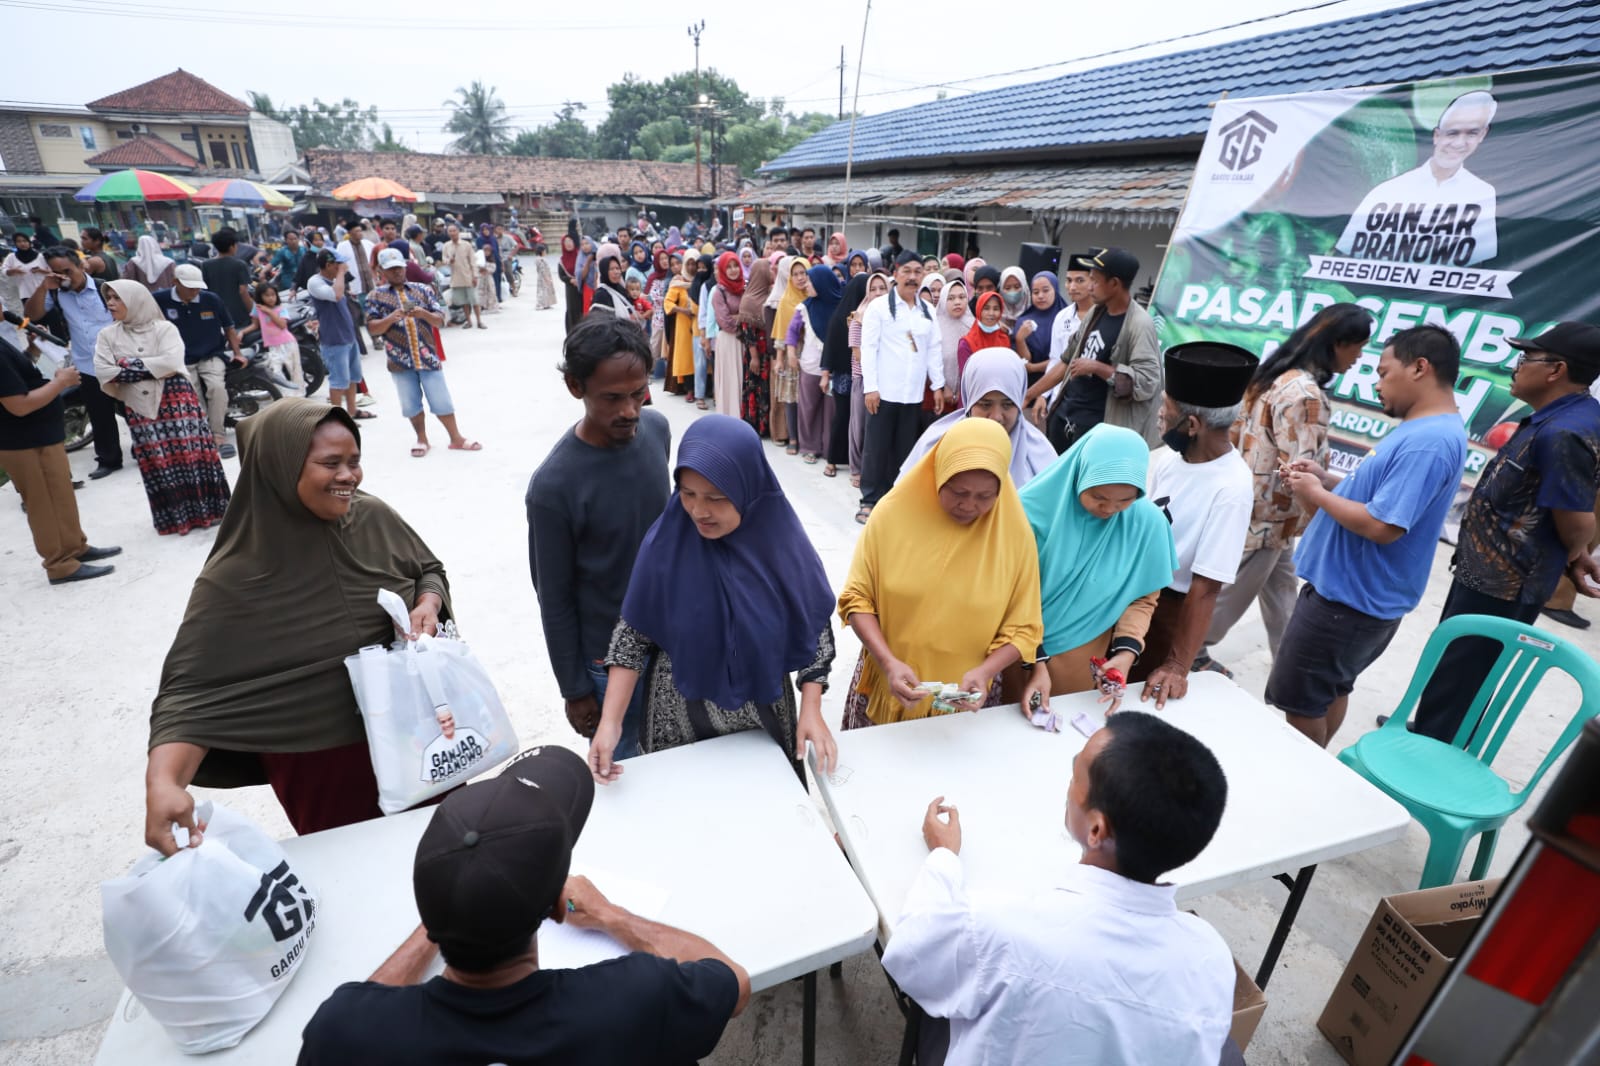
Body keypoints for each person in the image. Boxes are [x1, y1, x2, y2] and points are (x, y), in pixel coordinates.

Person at [295, 746, 748, 1066]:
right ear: (555, 907)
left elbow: (366, 1004)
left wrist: (451, 904)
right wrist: (612, 915)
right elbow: (733, 980)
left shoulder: (345, 1033)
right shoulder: (635, 996)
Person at [143, 400, 453, 847]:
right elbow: (187, 697)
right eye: (331, 463)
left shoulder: (372, 517)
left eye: (354, 461)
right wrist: (164, 784)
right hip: (323, 767)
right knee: (363, 874)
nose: (349, 476)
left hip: (419, 740)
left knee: (451, 849)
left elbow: (428, 568)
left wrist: (429, 601)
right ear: (279, 467)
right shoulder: (233, 577)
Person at [883, 712, 1234, 1066]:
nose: (1069, 783)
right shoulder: (1210, 958)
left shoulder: (1000, 929)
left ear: (1097, 830)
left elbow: (911, 950)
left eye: (1075, 773)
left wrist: (944, 856)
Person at [587, 415, 839, 781]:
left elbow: (815, 629)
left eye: (717, 498)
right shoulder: (666, 545)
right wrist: (610, 724)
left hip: (762, 719)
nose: (698, 511)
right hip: (677, 721)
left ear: (748, 490)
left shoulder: (782, 547)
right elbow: (631, 639)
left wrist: (811, 708)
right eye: (687, 494)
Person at [1267, 325, 1468, 746]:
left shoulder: (1427, 441)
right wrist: (1328, 480)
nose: (1376, 384)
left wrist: (1317, 495)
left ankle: (1301, 776)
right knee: (1331, 689)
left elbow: (1383, 525)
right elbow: (1383, 500)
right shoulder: (1427, 430)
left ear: (1419, 368)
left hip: (1347, 605)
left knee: (1301, 702)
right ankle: (1314, 765)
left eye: (1382, 372)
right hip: (1354, 600)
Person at [1410, 323, 1600, 741]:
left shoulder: (1564, 432)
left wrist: (1575, 550)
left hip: (1505, 584)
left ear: (1556, 370)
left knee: (1465, 675)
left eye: (1526, 358)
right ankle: (1430, 729)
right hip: (1490, 571)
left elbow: (1578, 518)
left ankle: (1431, 754)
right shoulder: (1560, 417)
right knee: (1453, 667)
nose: (1516, 367)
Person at [1197, 303, 1373, 677]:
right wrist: (1322, 519)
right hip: (1268, 513)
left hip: (1259, 505)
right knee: (1232, 594)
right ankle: (1190, 649)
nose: (1359, 358)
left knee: (1281, 591)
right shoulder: (1305, 394)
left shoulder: (1275, 376)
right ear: (1337, 343)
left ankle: (1291, 664)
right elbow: (1302, 470)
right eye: (1357, 347)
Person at [838, 417, 1043, 727]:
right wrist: (888, 662)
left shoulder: (1014, 537)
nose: (969, 505)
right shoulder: (892, 516)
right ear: (938, 472)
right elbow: (857, 599)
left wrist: (986, 671)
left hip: (965, 699)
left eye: (985, 496)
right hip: (889, 684)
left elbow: (1024, 626)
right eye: (957, 491)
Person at [529, 315, 667, 761]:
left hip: (672, 644)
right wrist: (575, 688)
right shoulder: (553, 487)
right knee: (620, 771)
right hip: (605, 663)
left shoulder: (658, 431)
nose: (629, 411)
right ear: (575, 386)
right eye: (611, 398)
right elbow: (554, 597)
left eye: (637, 394)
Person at [1014, 424, 1177, 713]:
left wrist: (1126, 652)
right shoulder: (1028, 514)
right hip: (1012, 653)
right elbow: (1007, 596)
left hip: (1081, 661)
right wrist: (1034, 661)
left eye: (1125, 500)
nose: (1109, 510)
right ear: (1079, 476)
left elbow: (1142, 598)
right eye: (1099, 497)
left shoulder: (1145, 525)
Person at [1133, 343, 1257, 710]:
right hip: (1137, 600)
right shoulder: (1173, 459)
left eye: (1165, 410)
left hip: (1172, 613)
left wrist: (1176, 664)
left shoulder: (1231, 486)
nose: (1158, 415)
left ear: (1192, 424)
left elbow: (1205, 587)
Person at [94, 281, 231, 535]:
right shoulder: (107, 335)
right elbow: (103, 370)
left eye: (117, 298)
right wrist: (149, 368)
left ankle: (209, 512)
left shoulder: (164, 328)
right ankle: (175, 519)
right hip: (140, 407)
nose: (110, 303)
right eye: (109, 298)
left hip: (177, 403)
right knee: (158, 461)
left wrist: (125, 364)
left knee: (191, 455)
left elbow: (171, 361)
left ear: (136, 300)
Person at [0, 331, 120, 584]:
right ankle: (59, 564)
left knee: (60, 494)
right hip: (23, 441)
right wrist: (61, 383)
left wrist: (32, 350)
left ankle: (75, 547)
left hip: (41, 435)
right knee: (43, 503)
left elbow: (16, 379)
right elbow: (18, 405)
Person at [1336, 91, 1498, 267]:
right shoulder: (1386, 190)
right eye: (1452, 133)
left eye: (1472, 133)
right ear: (1437, 136)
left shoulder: (1482, 193)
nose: (1459, 143)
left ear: (1483, 135)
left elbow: (1479, 264)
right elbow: (1346, 259)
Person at [1029, 248, 1163, 451]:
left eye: (1095, 281)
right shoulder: (1095, 312)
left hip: (1099, 432)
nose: (1090, 287)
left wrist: (1099, 368)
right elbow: (1066, 361)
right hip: (1066, 418)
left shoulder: (1139, 324)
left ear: (1115, 284)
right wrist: (1029, 395)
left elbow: (1146, 383)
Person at [858, 252, 948, 523]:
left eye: (917, 272)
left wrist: (939, 386)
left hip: (912, 394)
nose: (912, 277)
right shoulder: (879, 308)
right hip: (883, 392)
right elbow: (868, 348)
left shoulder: (928, 312)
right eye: (906, 271)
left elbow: (934, 350)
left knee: (904, 448)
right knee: (876, 447)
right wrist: (870, 388)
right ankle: (870, 499)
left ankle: (897, 499)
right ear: (895, 274)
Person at [367, 249, 480, 458]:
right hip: (399, 360)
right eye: (391, 269)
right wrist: (390, 319)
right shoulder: (376, 296)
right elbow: (372, 328)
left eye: (399, 268)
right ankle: (422, 439)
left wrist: (423, 314)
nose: (397, 273)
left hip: (427, 355)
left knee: (441, 399)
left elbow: (440, 319)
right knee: (410, 402)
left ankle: (456, 438)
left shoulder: (423, 290)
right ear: (382, 270)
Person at [25, 247, 123, 478]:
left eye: (67, 271)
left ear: (81, 266)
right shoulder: (56, 293)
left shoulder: (104, 288)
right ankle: (109, 459)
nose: (63, 277)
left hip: (118, 361)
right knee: (100, 414)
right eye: (56, 272)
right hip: (86, 363)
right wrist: (44, 287)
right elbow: (32, 314)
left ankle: (144, 450)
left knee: (133, 407)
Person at [901, 348, 1057, 488]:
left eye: (1008, 405)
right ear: (969, 402)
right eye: (985, 405)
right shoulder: (936, 447)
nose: (996, 417)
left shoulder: (1040, 457)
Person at [153, 263, 247, 458]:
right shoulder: (159, 300)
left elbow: (229, 328)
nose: (195, 291)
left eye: (197, 287)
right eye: (190, 287)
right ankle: (203, 435)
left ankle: (218, 435)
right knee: (191, 395)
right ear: (176, 282)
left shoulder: (211, 299)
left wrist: (237, 353)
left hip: (212, 354)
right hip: (180, 359)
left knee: (217, 388)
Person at [789, 264, 844, 465]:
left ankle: (829, 448)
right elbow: (792, 332)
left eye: (810, 280)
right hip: (811, 366)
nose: (806, 284)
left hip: (834, 368)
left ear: (822, 283)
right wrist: (790, 352)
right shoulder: (805, 307)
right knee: (809, 408)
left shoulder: (841, 306)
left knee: (831, 412)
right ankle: (810, 447)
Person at [306, 250, 369, 421]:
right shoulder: (315, 282)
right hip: (334, 340)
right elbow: (336, 295)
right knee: (338, 381)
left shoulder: (334, 280)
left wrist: (340, 274)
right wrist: (341, 273)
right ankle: (338, 419)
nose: (343, 267)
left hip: (348, 336)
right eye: (338, 264)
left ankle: (352, 411)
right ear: (328, 265)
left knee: (353, 377)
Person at [845, 272, 890, 487]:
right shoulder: (858, 318)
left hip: (887, 381)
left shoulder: (893, 318)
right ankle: (856, 468)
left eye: (882, 288)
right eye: (873, 288)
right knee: (859, 426)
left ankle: (873, 470)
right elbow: (859, 354)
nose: (878, 292)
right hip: (864, 379)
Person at [770, 256, 809, 448]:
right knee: (791, 397)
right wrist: (779, 360)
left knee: (808, 398)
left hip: (811, 351)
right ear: (790, 278)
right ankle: (793, 438)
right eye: (796, 274)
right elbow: (780, 333)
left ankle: (807, 438)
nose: (800, 278)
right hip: (790, 353)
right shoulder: (786, 300)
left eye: (803, 273)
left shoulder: (814, 297)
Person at [735, 257, 774, 437]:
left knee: (764, 389)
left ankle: (764, 427)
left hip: (766, 353)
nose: (771, 273)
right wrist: (755, 357)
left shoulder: (769, 296)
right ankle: (753, 426)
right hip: (755, 355)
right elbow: (747, 332)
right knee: (754, 387)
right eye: (769, 270)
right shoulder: (749, 299)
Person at [252, 280, 304, 395]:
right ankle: (285, 396)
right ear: (260, 297)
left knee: (294, 370)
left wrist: (269, 312)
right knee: (275, 371)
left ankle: (299, 395)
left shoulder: (281, 309)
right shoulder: (257, 309)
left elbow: (282, 325)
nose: (271, 298)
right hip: (272, 346)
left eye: (273, 295)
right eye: (267, 295)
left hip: (287, 343)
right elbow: (255, 325)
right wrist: (241, 333)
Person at [710, 252, 745, 416]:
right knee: (730, 380)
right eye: (728, 267)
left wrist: (740, 318)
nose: (733, 270)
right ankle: (730, 417)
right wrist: (743, 319)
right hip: (729, 340)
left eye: (735, 265)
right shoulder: (719, 292)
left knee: (742, 379)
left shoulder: (745, 287)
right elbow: (725, 322)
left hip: (744, 340)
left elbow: (753, 313)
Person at [200, 228, 254, 328]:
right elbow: (243, 291)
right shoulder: (239, 265)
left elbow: (205, 290)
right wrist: (253, 312)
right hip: (239, 315)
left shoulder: (206, 265)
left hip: (217, 313)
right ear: (232, 246)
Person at [955, 291, 1012, 377]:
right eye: (986, 308)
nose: (991, 313)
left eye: (996, 309)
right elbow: (966, 379)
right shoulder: (966, 344)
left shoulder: (1004, 339)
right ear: (978, 310)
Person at [934, 276, 972, 388]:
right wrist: (943, 387)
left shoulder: (973, 326)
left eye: (962, 297)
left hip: (967, 391)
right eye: (950, 298)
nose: (957, 302)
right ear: (943, 300)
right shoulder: (935, 326)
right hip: (939, 392)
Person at [335, 222, 377, 314]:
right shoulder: (342, 246)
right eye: (357, 231)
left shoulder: (368, 244)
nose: (360, 233)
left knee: (376, 308)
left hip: (372, 283)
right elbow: (339, 264)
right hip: (356, 285)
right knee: (363, 310)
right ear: (350, 233)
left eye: (360, 231)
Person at [3, 233, 51, 305]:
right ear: (15, 243)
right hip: (25, 293)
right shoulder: (11, 257)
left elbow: (51, 271)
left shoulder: (40, 256)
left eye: (25, 241)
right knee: (31, 314)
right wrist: (12, 271)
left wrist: (40, 270)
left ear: (29, 242)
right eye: (19, 241)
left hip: (43, 292)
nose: (22, 243)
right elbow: (4, 270)